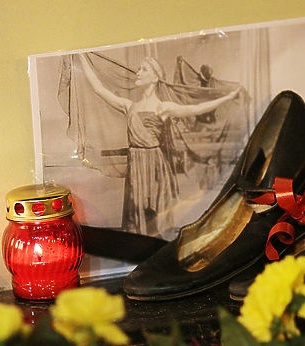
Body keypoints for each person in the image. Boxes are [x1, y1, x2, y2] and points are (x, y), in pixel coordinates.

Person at [77, 54, 240, 238]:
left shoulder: (163, 107)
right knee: (137, 210)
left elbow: (197, 109)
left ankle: (158, 244)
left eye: (144, 69)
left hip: (155, 164)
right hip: (136, 164)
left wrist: (228, 97)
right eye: (138, 69)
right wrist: (81, 56)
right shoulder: (129, 106)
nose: (138, 73)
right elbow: (99, 89)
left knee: (156, 210)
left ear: (155, 77)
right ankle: (140, 245)